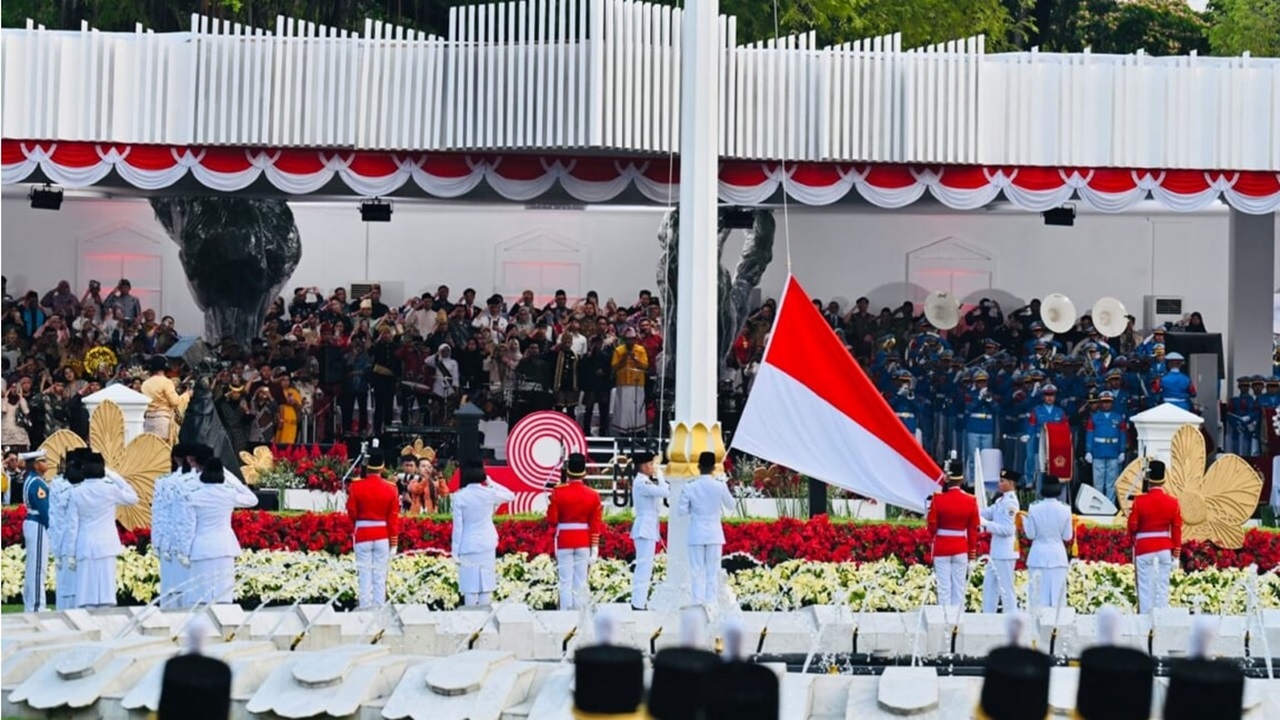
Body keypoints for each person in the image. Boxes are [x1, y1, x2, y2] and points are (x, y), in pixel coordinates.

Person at [178, 459, 258, 604]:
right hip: (225, 548)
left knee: (200, 597)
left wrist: (184, 551)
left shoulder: (194, 496)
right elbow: (253, 500)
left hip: (201, 548)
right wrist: (232, 478)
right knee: (224, 597)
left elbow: (188, 527)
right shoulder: (228, 495)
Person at [72, 452, 140, 608]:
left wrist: (70, 550)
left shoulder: (76, 492)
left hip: (85, 542)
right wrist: (114, 475)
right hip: (106, 543)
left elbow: (72, 524)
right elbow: (133, 497)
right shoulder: (110, 489)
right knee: (106, 593)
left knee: (85, 592)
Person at [450, 460, 515, 606]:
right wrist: (491, 482)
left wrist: (454, 551)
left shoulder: (459, 496)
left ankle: (470, 622)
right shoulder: (489, 493)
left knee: (469, 587)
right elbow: (511, 495)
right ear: (482, 477)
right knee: (486, 586)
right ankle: (485, 622)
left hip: (467, 544)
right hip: (487, 543)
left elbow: (458, 527)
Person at [675, 451, 735, 607]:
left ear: (699, 466)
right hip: (714, 532)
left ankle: (697, 603)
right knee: (713, 570)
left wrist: (694, 511)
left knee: (696, 571)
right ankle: (711, 603)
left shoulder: (690, 487)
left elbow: (681, 511)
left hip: (696, 532)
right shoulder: (720, 486)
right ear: (714, 467)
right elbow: (731, 505)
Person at [547, 453, 603, 610]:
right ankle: (580, 612)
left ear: (568, 471)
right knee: (581, 580)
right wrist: (595, 547)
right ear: (584, 472)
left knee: (565, 580)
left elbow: (552, 520)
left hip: (564, 539)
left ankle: (565, 613)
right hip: (584, 540)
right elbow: (595, 524)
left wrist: (551, 502)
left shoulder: (558, 492)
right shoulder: (593, 495)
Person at [345, 449, 400, 608]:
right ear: (382, 468)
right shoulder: (391, 488)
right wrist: (394, 541)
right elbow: (393, 518)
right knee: (380, 575)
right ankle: (379, 608)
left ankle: (364, 607)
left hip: (362, 533)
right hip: (382, 535)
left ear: (368, 466)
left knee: (364, 574)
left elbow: (352, 512)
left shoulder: (356, 486)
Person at [1128, 460, 1181, 613]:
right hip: (1165, 549)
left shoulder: (1139, 501)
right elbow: (1177, 530)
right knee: (1162, 588)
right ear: (1163, 480)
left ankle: (1146, 623)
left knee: (1145, 590)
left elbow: (1133, 526)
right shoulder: (1173, 502)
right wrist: (1176, 555)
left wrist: (1133, 538)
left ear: (1148, 479)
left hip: (1144, 548)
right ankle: (1162, 619)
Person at [926, 458, 979, 608]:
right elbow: (973, 531)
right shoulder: (971, 500)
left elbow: (931, 528)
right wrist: (972, 555)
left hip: (942, 546)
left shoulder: (938, 499)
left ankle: (945, 620)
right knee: (959, 588)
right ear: (962, 479)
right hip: (961, 547)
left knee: (944, 589)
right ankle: (958, 621)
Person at [1023, 477, 1074, 609]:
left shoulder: (1034, 508)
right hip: (1057, 556)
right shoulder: (1065, 509)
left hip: (1038, 555)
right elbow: (1067, 536)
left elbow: (1031, 535)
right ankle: (1056, 628)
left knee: (1037, 599)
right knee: (1058, 600)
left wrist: (1024, 522)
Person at [152, 443, 193, 608]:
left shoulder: (164, 482)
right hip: (190, 542)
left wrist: (157, 543)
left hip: (168, 542)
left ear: (175, 459)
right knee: (191, 589)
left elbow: (158, 514)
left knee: (170, 590)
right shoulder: (196, 482)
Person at [629, 451, 669, 610]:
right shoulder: (641, 483)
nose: (653, 467)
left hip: (648, 528)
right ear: (644, 466)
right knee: (644, 568)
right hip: (645, 529)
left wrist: (658, 474)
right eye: (651, 464)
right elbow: (666, 491)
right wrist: (660, 474)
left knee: (646, 567)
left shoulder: (645, 482)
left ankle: (639, 601)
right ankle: (638, 603)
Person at [48, 448, 87, 610]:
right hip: (64, 541)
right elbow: (54, 517)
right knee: (65, 587)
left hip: (82, 540)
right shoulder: (58, 484)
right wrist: (55, 549)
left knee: (81, 588)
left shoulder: (87, 483)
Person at [980, 468, 1020, 614]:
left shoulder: (1011, 503)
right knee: (989, 587)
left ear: (1010, 483)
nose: (999, 483)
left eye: (1002, 481)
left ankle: (1012, 617)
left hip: (1005, 552)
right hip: (996, 552)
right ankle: (988, 616)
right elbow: (985, 513)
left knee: (1006, 588)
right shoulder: (1000, 501)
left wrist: (986, 524)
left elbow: (1008, 529)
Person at [20, 449, 52, 612]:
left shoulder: (32, 479)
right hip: (38, 523)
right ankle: (37, 606)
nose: (46, 464)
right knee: (38, 567)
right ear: (36, 464)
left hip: (32, 522)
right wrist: (52, 529)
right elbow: (44, 509)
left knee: (34, 566)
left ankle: (31, 603)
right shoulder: (37, 483)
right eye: (43, 461)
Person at [1085, 391, 1127, 505]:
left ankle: (1110, 505)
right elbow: (1089, 435)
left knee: (1111, 482)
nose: (1106, 404)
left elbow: (1122, 435)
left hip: (1113, 451)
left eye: (1108, 402)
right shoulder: (1094, 418)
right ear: (1100, 403)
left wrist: (1122, 451)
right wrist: (1088, 451)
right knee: (1098, 482)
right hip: (1098, 451)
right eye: (1104, 402)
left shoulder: (1118, 418)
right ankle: (1098, 505)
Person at [141, 355, 190, 445]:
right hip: (162, 422)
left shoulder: (145, 384)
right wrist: (187, 395)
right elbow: (175, 401)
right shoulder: (166, 382)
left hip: (148, 422)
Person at [610, 328, 648, 434]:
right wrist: (623, 359)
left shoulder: (640, 350)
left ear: (635, 339)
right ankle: (623, 432)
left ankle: (638, 431)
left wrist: (635, 358)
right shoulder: (619, 350)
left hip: (637, 383)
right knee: (623, 408)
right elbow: (614, 367)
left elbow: (645, 366)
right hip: (623, 383)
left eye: (632, 339)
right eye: (627, 339)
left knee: (637, 408)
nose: (630, 342)